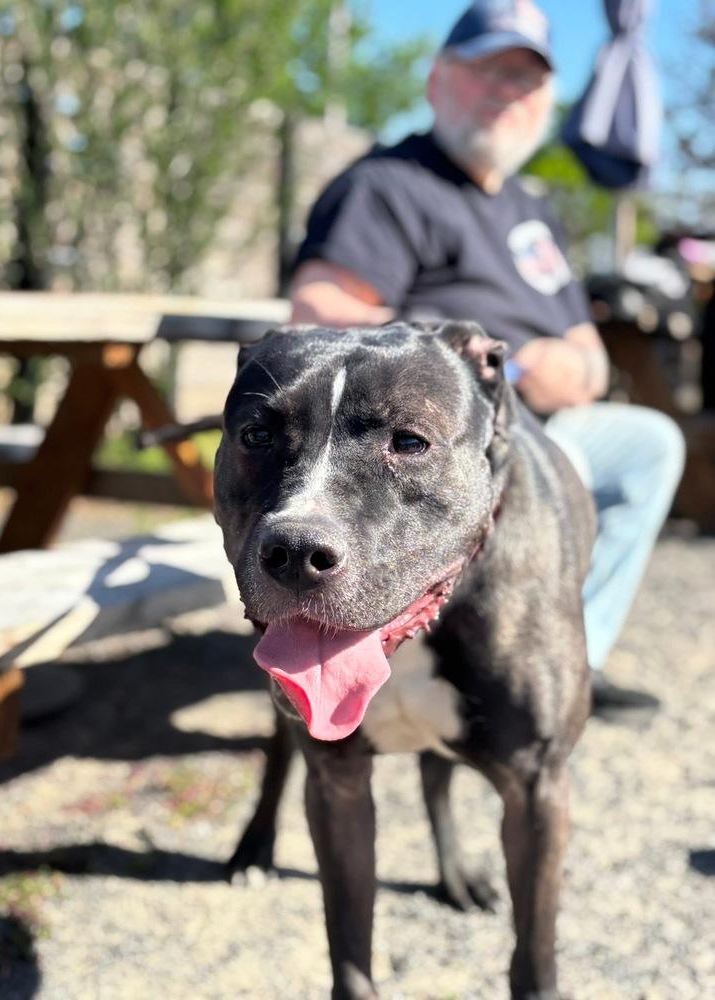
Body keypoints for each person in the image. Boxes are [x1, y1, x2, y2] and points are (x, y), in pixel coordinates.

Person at [288, 0, 686, 717]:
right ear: (438, 81)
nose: (509, 93)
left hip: (552, 425)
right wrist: (513, 366)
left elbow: (588, 347)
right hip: (445, 441)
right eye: (489, 71)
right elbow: (320, 311)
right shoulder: (388, 185)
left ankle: (565, 662)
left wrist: (575, 366)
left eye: (527, 80)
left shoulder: (530, 212)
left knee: (650, 442)